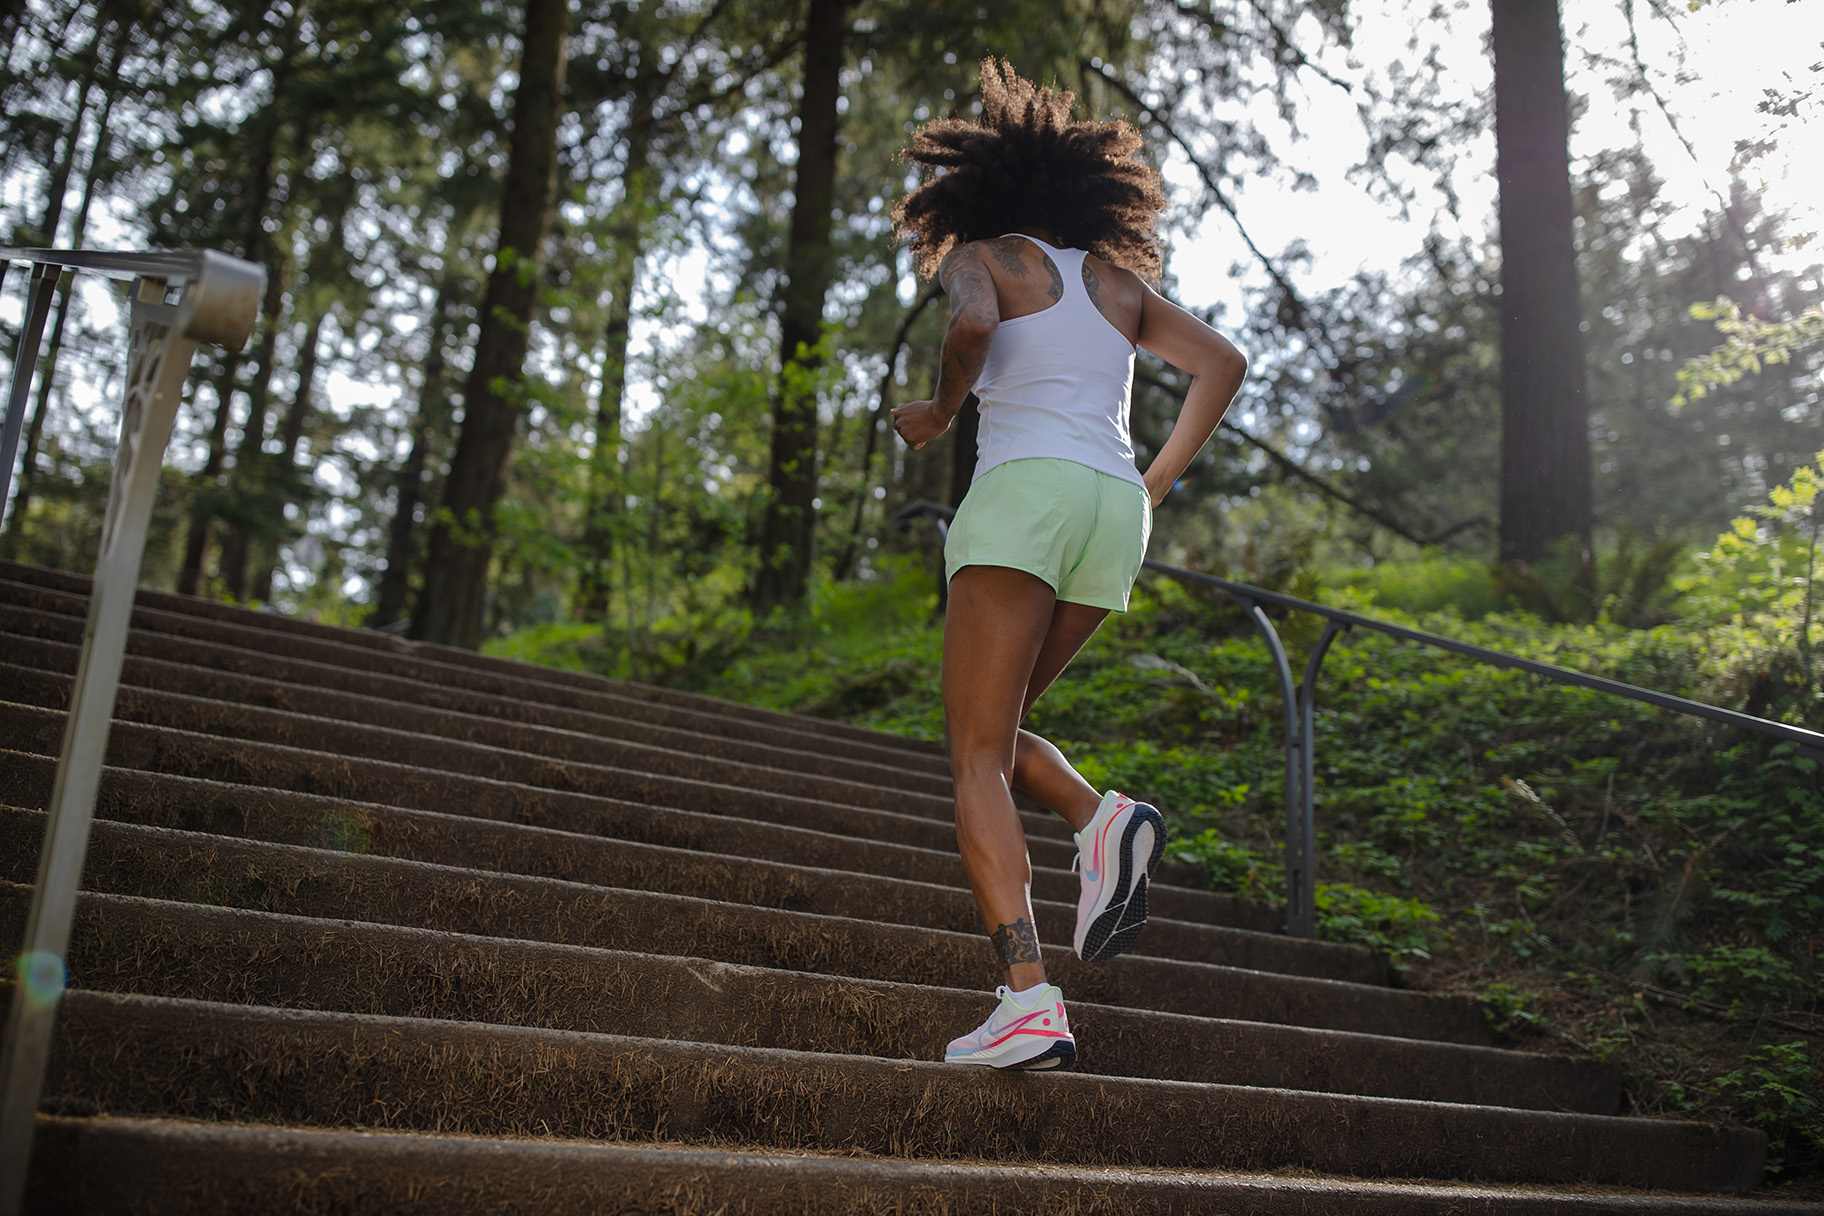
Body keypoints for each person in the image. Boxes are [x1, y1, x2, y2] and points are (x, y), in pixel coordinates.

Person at [888, 58, 1248, 1071]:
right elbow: (1223, 363)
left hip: (1025, 499)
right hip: (1110, 507)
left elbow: (971, 327)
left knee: (970, 757)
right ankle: (1101, 818)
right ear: (1093, 197)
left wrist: (943, 410)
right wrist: (1157, 478)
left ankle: (1028, 998)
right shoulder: (1117, 283)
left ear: (977, 187)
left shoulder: (979, 257)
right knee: (993, 736)